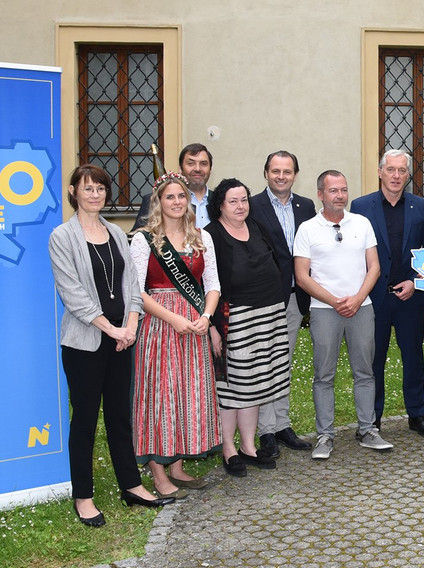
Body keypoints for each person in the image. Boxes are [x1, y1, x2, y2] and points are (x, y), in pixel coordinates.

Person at [49, 165, 174, 527]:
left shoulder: (118, 234)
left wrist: (130, 325)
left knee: (120, 416)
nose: (95, 195)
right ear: (74, 191)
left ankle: (131, 485)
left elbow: (133, 286)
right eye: (88, 189)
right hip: (85, 343)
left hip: (123, 339)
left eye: (101, 189)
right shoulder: (62, 236)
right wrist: (111, 329)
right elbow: (72, 294)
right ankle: (83, 496)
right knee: (85, 420)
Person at [130, 171, 221, 496]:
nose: (177, 202)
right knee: (161, 397)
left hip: (195, 324)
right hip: (160, 327)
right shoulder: (144, 239)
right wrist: (173, 319)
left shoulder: (201, 237)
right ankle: (159, 475)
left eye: (181, 196)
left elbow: (212, 284)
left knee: (187, 395)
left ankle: (178, 466)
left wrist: (207, 316)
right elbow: (137, 292)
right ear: (158, 202)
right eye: (170, 197)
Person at [294, 170, 392, 460]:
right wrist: (336, 301)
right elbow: (302, 276)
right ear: (320, 195)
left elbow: (374, 266)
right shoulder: (307, 229)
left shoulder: (361, 223)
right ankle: (325, 435)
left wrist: (358, 298)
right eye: (333, 191)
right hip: (325, 311)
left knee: (365, 371)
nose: (340, 196)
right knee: (324, 375)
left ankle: (367, 430)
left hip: (362, 308)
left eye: (344, 190)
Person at [205, 179, 291, 476]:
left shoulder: (255, 225)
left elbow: (277, 260)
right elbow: (206, 284)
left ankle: (248, 446)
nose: (241, 206)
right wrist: (213, 327)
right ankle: (228, 448)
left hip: (267, 316)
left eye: (244, 200)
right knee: (232, 388)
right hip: (234, 320)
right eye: (233, 201)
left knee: (255, 384)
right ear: (219, 205)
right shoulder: (210, 235)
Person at [351, 149, 424, 436]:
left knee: (413, 356)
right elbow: (355, 252)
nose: (396, 176)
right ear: (380, 172)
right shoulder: (361, 207)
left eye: (401, 170)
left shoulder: (421, 207)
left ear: (408, 174)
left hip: (410, 295)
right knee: (373, 358)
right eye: (391, 170)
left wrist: (415, 281)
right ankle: (372, 418)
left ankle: (416, 413)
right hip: (374, 297)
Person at [248, 150, 314, 456]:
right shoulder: (251, 206)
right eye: (275, 171)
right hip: (263, 299)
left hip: (294, 298)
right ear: (266, 173)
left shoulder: (306, 206)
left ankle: (283, 424)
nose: (281, 176)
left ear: (295, 175)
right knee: (264, 363)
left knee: (284, 362)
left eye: (287, 172)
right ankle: (266, 431)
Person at [132, 143, 214, 230]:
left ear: (210, 169)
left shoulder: (221, 200)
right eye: (191, 163)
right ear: (180, 169)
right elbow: (138, 237)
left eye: (203, 164)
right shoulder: (155, 200)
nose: (197, 169)